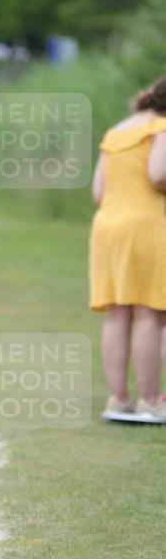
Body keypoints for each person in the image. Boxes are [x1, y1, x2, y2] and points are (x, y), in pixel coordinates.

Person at [90, 75, 166, 423]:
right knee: (150, 312)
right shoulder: (161, 128)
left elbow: (98, 192)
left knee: (118, 312)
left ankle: (118, 399)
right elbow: (158, 173)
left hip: (107, 227)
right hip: (146, 225)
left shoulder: (116, 131)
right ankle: (150, 403)